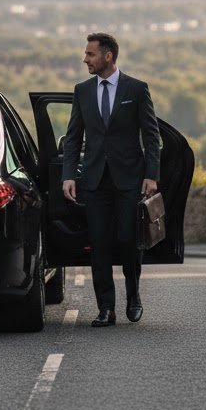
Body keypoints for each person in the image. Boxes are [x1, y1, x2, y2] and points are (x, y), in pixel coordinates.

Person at [61, 32, 161, 327]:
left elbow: (151, 136)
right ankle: (106, 309)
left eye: (90, 54)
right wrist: (69, 175)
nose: (85, 59)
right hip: (94, 182)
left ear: (108, 56)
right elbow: (73, 137)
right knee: (99, 245)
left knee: (129, 242)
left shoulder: (137, 89)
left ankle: (134, 297)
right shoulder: (82, 91)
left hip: (129, 180)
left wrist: (151, 175)